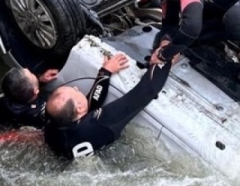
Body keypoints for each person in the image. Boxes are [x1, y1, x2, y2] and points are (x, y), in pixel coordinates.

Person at [44, 59, 173, 160]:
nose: (77, 88)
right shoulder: (100, 122)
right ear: (78, 107)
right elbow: (145, 92)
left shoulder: (51, 128)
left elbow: (88, 106)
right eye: (74, 90)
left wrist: (105, 72)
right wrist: (165, 59)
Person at [0, 54, 129, 129]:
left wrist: (39, 80)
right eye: (32, 74)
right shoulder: (41, 111)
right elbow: (86, 106)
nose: (32, 72)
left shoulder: (1, 100)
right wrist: (105, 72)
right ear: (35, 92)